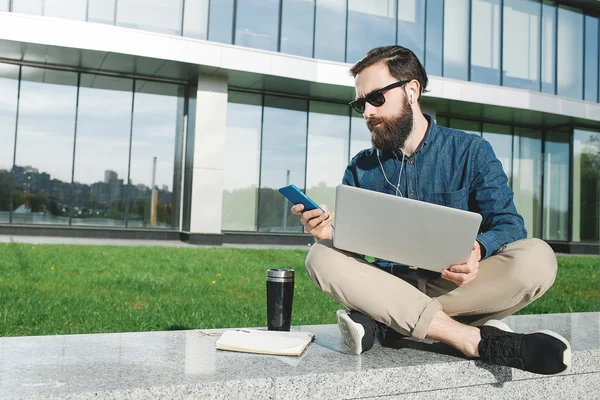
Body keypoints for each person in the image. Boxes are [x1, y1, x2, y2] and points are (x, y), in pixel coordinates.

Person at [291, 45, 571, 376]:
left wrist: (477, 250)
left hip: (454, 287)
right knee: (319, 257)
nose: (367, 112)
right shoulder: (360, 168)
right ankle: (471, 339)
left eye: (376, 98)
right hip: (388, 282)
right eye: (360, 104)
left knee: (538, 257)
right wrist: (328, 235)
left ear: (412, 90)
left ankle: (388, 324)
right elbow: (356, 251)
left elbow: (509, 224)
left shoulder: (471, 152)